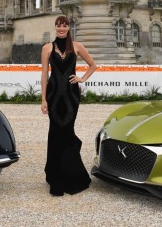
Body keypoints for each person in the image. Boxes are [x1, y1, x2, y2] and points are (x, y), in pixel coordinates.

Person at [40, 15, 96, 196]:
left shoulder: (77, 46)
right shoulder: (47, 48)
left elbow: (92, 65)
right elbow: (43, 76)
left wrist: (82, 78)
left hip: (72, 96)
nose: (61, 28)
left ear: (69, 27)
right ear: (55, 27)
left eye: (65, 25)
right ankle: (55, 177)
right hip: (54, 95)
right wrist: (43, 99)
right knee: (55, 133)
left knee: (68, 132)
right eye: (59, 26)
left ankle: (71, 175)